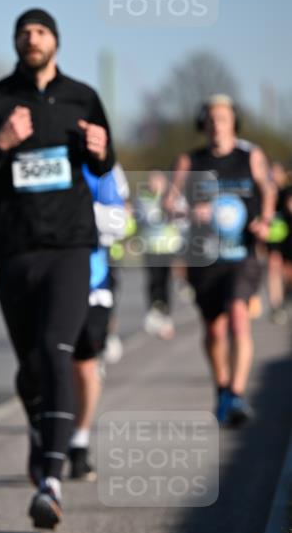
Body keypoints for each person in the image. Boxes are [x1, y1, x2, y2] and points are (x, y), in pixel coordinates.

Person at [0, 8, 115, 529]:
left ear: (56, 41)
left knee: (56, 351)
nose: (31, 38)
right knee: (29, 367)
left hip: (70, 245)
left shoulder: (82, 98)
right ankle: (42, 431)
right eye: (23, 32)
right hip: (14, 248)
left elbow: (104, 164)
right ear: (16, 43)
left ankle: (50, 478)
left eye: (40, 31)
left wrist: (103, 153)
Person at [168, 95, 276, 426]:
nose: (217, 124)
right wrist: (189, 209)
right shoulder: (190, 161)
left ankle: (238, 394)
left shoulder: (250, 156)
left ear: (233, 123)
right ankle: (222, 388)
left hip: (242, 254)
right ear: (204, 124)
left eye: (224, 118)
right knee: (214, 332)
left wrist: (265, 220)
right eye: (211, 119)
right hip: (205, 258)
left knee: (239, 315)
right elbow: (169, 203)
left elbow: (268, 189)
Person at [68, 165, 128, 481]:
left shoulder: (102, 170)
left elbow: (119, 222)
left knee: (85, 366)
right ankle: (48, 435)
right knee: (49, 366)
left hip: (92, 281)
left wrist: (70, 211)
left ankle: (79, 441)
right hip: (46, 284)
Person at [133, 169, 182, 340]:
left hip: (167, 247)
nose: (154, 184)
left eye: (158, 180)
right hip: (150, 246)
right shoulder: (143, 198)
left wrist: (170, 208)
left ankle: (166, 316)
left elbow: (181, 216)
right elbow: (143, 217)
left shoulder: (173, 197)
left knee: (165, 282)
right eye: (152, 180)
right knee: (152, 281)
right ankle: (153, 313)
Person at [266, 162, 292, 323]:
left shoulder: (287, 192)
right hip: (274, 237)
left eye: (277, 172)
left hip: (289, 236)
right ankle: (276, 305)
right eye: (272, 172)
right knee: (273, 268)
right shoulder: (267, 192)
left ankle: (285, 299)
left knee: (288, 273)